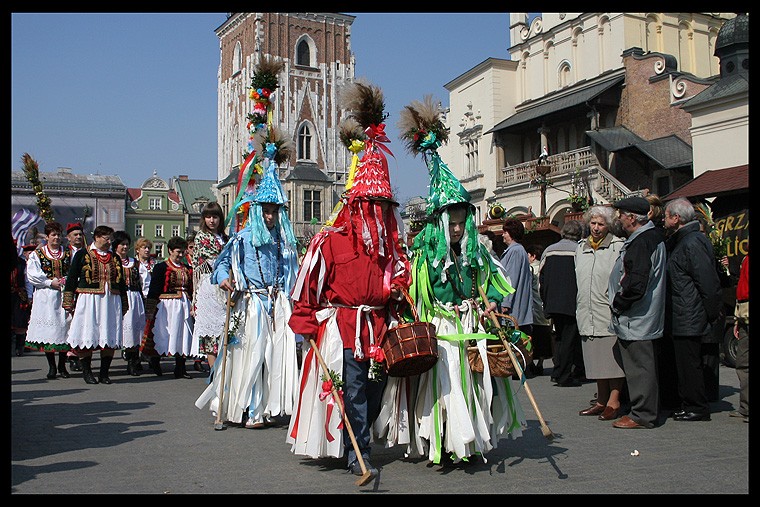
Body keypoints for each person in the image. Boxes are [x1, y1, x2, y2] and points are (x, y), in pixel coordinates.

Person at [286, 80, 411, 477]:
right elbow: (308, 287)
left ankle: (358, 439)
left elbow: (398, 283)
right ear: (356, 205)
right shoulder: (330, 242)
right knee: (353, 390)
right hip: (343, 326)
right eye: (369, 204)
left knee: (375, 391)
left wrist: (398, 292)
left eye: (382, 205)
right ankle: (360, 453)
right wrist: (305, 325)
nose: (376, 211)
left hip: (378, 326)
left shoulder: (391, 246)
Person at [195, 141, 301, 429]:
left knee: (276, 356)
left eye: (275, 211)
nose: (270, 216)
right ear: (257, 211)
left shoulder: (283, 241)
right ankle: (251, 410)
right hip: (252, 303)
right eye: (266, 211)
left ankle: (270, 407)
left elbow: (292, 272)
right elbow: (220, 265)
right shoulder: (242, 238)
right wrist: (225, 278)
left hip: (277, 304)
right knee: (252, 357)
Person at [607, 196, 666, 429]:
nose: (619, 219)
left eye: (621, 214)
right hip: (639, 316)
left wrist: (619, 303)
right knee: (641, 366)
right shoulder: (647, 238)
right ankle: (642, 410)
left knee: (640, 367)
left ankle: (642, 414)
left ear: (632, 217)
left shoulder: (643, 241)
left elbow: (635, 282)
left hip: (637, 318)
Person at [663, 197, 722, 422]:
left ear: (676, 218)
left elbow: (707, 281)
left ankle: (697, 406)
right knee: (684, 363)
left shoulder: (692, 242)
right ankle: (689, 403)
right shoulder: (683, 240)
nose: (664, 219)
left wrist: (711, 312)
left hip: (688, 313)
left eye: (667, 215)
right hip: (683, 312)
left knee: (690, 364)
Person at [575, 206, 626, 421]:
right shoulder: (581, 247)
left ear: (609, 226)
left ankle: (614, 401)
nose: (596, 228)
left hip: (606, 309)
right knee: (595, 358)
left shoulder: (617, 246)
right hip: (587, 310)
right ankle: (601, 400)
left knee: (611, 360)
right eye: (593, 223)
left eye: (601, 224)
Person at [63, 225, 128, 385]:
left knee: (109, 335)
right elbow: (71, 278)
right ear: (97, 237)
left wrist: (124, 303)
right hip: (89, 300)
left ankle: (104, 373)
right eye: (106, 238)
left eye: (110, 239)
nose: (109, 242)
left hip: (111, 301)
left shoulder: (115, 257)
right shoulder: (82, 254)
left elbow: (121, 282)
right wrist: (68, 300)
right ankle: (87, 372)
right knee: (88, 334)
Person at [25, 222, 74, 380]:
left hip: (63, 295)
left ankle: (62, 365)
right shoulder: (37, 254)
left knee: (65, 328)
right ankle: (52, 366)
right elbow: (33, 275)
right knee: (49, 332)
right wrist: (49, 282)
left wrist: (67, 280)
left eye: (59, 235)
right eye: (53, 235)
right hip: (46, 296)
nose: (57, 238)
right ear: (47, 237)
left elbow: (74, 271)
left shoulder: (67, 253)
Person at [540, 220, 585, 387]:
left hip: (552, 301)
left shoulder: (549, 250)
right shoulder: (579, 251)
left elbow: (541, 279)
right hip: (571, 301)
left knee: (559, 337)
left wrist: (545, 300)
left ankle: (557, 371)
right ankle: (565, 375)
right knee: (569, 339)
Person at [142, 236, 195, 379]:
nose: (180, 254)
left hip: (183, 304)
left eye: (183, 252)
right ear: (170, 250)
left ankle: (180, 367)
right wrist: (151, 310)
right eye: (178, 251)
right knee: (163, 333)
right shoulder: (161, 267)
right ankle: (155, 361)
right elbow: (154, 290)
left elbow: (191, 289)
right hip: (166, 306)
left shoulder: (188, 269)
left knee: (183, 334)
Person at [190, 202, 229, 375]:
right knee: (210, 333)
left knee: (225, 330)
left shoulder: (225, 237)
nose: (211, 220)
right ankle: (214, 372)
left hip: (225, 286)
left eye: (215, 216)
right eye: (208, 217)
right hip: (209, 285)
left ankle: (225, 370)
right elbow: (216, 260)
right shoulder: (201, 237)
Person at [111, 230, 146, 376]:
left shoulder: (136, 264)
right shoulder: (111, 262)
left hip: (134, 297)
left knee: (134, 330)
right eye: (121, 244)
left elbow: (145, 283)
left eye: (126, 244)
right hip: (117, 298)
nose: (125, 247)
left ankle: (133, 361)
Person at [499, 217, 534, 344]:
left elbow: (510, 279)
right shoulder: (518, 250)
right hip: (518, 308)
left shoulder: (515, 251)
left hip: (515, 310)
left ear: (512, 234)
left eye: (505, 232)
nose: (503, 235)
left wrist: (506, 302)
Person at [525, 244, 553, 375]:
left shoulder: (531, 269)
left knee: (534, 337)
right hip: (544, 307)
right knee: (544, 337)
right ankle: (541, 362)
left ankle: (531, 362)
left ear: (533, 256)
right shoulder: (545, 267)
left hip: (534, 308)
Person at [64, 222, 86, 370]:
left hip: (82, 292)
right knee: (66, 322)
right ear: (68, 237)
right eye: (75, 235)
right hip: (65, 290)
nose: (78, 237)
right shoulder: (64, 253)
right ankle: (66, 354)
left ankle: (76, 354)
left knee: (79, 322)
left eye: (80, 234)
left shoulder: (87, 253)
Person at [731, 249, 748, 422]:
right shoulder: (746, 259)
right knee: (743, 362)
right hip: (744, 315)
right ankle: (746, 407)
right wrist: (738, 319)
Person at [11, 240, 35, 357]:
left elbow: (27, 281)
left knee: (19, 322)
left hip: (18, 295)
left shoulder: (21, 263)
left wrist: (30, 296)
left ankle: (19, 347)